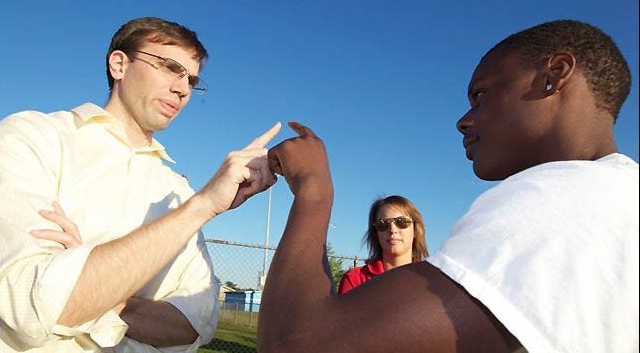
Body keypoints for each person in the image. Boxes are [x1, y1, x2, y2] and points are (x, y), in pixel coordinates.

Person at [258, 20, 639, 352]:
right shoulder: (616, 197)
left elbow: (295, 344)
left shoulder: (559, 199)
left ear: (554, 74)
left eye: (480, 94)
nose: (463, 120)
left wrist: (313, 188)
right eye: (383, 224)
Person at [0, 17, 281, 352]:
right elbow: (36, 303)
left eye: (191, 79)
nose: (183, 88)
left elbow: (193, 325)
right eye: (169, 67)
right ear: (119, 64)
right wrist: (204, 206)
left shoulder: (176, 191)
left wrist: (98, 289)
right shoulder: (32, 138)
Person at [338, 195, 429, 294]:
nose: (392, 230)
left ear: (415, 230)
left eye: (401, 222)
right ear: (376, 233)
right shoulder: (355, 280)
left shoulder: (432, 280)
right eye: (383, 224)